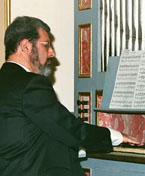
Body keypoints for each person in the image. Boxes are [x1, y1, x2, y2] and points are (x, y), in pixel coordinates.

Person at [0, 16, 140, 176]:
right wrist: (116, 136)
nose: (52, 53)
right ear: (25, 46)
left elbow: (30, 136)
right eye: (46, 45)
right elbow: (69, 129)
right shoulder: (31, 84)